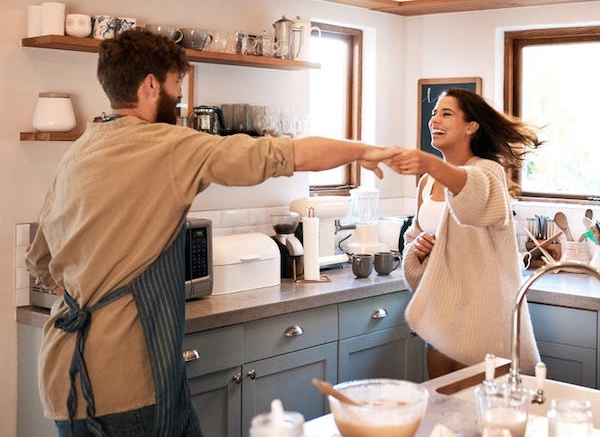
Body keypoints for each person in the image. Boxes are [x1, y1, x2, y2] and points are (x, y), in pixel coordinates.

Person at [25, 29, 400, 437]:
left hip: (65, 378)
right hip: (128, 382)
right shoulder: (168, 145)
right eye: (176, 84)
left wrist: (90, 294)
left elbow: (41, 260)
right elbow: (286, 155)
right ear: (151, 84)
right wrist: (364, 150)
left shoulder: (81, 148)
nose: (179, 96)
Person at [385, 88, 541, 379]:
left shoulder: (488, 172)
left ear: (471, 126)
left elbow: (473, 201)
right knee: (444, 407)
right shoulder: (427, 182)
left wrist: (430, 162)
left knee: (482, 412)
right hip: (443, 312)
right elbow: (412, 240)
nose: (434, 121)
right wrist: (416, 250)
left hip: (484, 315)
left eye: (447, 114)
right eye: (434, 114)